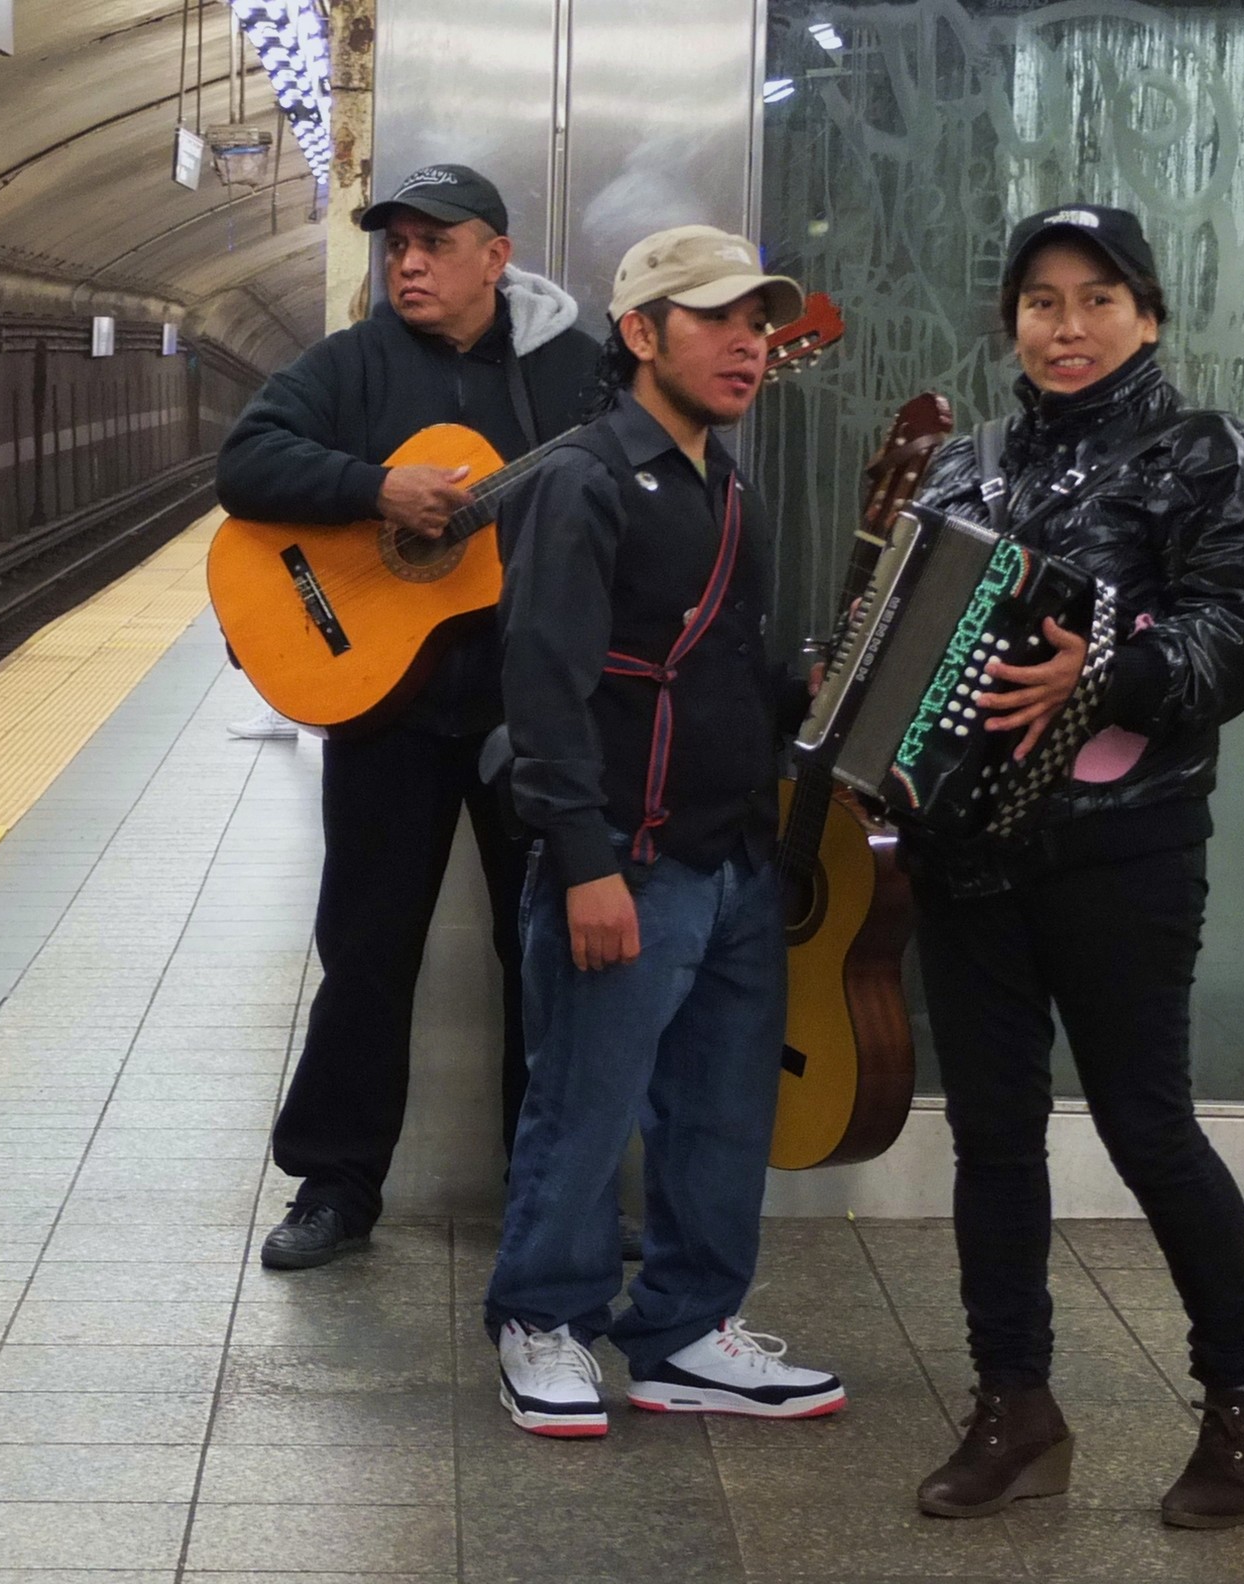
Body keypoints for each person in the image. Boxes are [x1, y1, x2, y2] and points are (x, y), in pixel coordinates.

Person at [903, 205, 1244, 1528]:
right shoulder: (961, 466)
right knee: (992, 1136)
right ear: (1011, 320)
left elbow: (1243, 629)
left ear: (1147, 315)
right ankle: (1013, 1404)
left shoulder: (1202, 453)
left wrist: (1108, 672)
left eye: (1095, 300)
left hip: (1123, 845)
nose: (1065, 327)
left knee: (1145, 1125)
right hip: (967, 852)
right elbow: (905, 632)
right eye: (1040, 302)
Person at [483, 226, 845, 1437]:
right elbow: (543, 686)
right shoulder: (582, 480)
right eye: (716, 320)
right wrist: (582, 863)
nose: (748, 344)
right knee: (584, 1107)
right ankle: (541, 1322)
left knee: (718, 1115)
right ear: (640, 332)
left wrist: (802, 689)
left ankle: (686, 1331)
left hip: (732, 858)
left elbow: (715, 673)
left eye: (757, 324)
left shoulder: (724, 482)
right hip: (626, 864)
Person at [216, 165, 605, 1269]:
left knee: (542, 955)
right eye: (396, 247)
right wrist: (372, 490)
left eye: (434, 244)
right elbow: (243, 463)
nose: (409, 264)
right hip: (384, 709)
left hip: (529, 713)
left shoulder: (572, 372)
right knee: (366, 950)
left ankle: (551, 1190)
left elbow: (622, 496)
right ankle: (334, 1186)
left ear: (497, 256)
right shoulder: (351, 364)